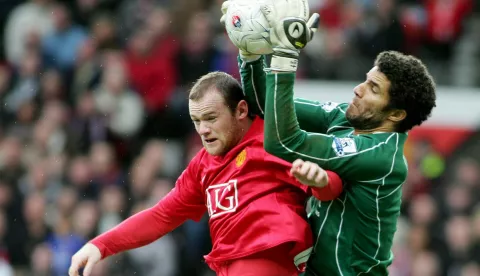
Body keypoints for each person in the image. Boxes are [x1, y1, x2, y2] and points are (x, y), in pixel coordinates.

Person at [223, 1, 437, 275]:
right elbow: (266, 107)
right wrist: (250, 52)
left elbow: (284, 142)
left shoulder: (382, 157)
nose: (358, 89)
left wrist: (287, 55)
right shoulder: (346, 118)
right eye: (365, 79)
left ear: (395, 114)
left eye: (373, 88)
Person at [68, 71, 345, 276]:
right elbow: (162, 216)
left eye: (211, 118)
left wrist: (320, 181)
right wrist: (101, 245)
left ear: (241, 110)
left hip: (270, 261)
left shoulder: (275, 142)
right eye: (196, 121)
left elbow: (333, 185)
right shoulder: (202, 165)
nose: (202, 130)